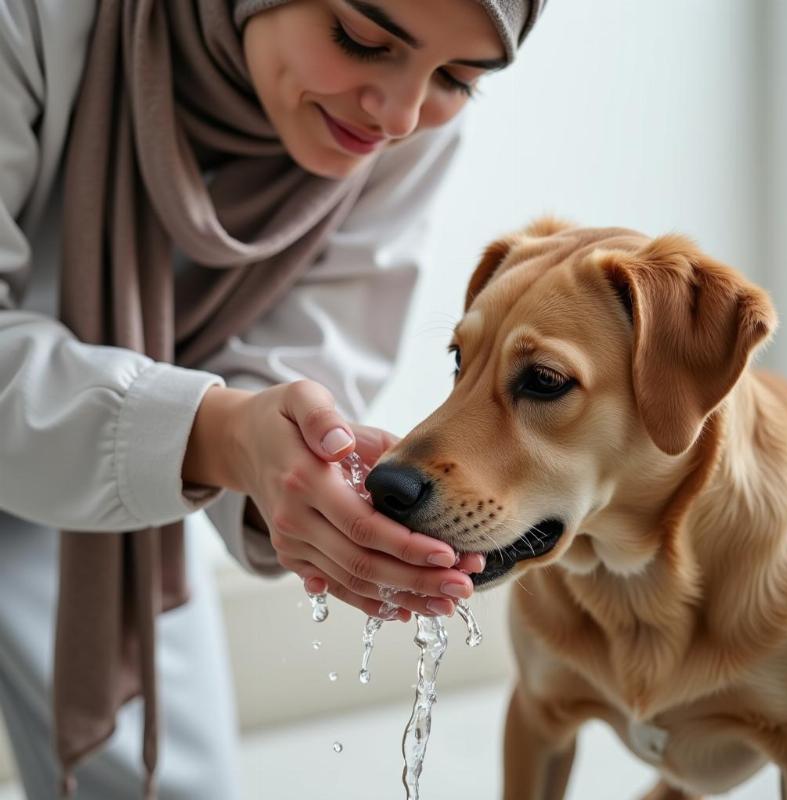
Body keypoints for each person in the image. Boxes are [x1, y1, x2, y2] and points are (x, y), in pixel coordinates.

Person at [0, 0, 545, 797]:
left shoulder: (404, 124)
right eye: (361, 39)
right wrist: (218, 436)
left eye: (460, 78)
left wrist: (290, 463)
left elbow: (304, 348)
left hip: (113, 495)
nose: (398, 114)